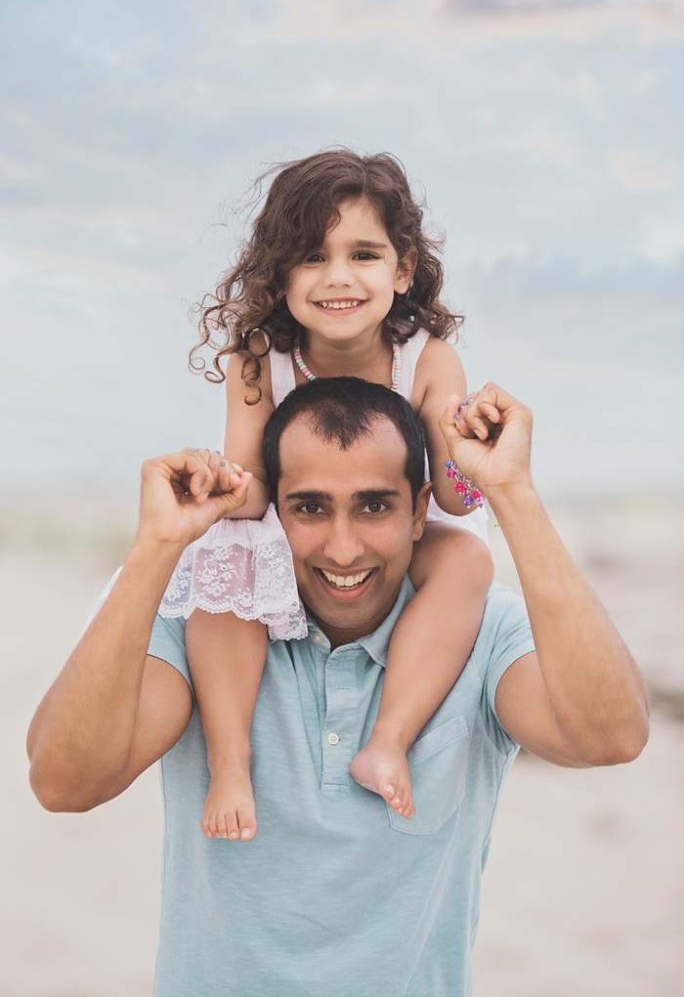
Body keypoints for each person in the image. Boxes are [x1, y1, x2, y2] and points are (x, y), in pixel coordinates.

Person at [27, 376, 648, 997]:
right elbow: (65, 781)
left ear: (417, 512)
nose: (343, 548)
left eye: (375, 505)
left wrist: (511, 491)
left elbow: (611, 737)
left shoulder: (482, 630)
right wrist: (157, 548)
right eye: (310, 508)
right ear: (271, 511)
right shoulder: (205, 622)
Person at [158, 148, 493, 842]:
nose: (337, 278)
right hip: (289, 527)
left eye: (364, 255)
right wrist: (219, 482)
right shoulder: (259, 358)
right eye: (311, 256)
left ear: (402, 270)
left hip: (402, 532)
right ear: (279, 275)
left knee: (469, 561)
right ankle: (229, 763)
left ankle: (388, 740)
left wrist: (472, 454)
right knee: (225, 563)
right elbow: (253, 494)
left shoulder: (428, 358)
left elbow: (455, 502)